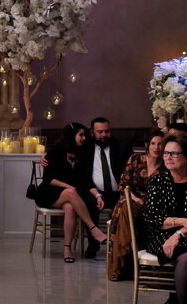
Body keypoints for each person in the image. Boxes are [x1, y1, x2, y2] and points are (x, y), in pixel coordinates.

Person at [34, 122, 108, 263]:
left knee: (70, 208)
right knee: (71, 193)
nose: (84, 138)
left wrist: (97, 195)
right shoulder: (55, 152)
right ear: (71, 136)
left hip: (68, 196)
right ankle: (94, 229)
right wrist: (69, 187)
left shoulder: (82, 154)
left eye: (85, 135)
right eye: (81, 135)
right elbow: (49, 179)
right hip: (48, 193)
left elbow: (86, 181)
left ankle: (67, 249)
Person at [142, 131, 187, 304]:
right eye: (166, 153)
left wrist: (179, 233)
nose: (168, 157)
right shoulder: (158, 182)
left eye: (174, 154)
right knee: (186, 259)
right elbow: (151, 218)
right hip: (159, 236)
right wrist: (180, 222)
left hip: (182, 234)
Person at [107, 130, 164, 281]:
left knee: (126, 212)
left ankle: (117, 269)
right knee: (127, 208)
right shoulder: (135, 159)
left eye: (160, 144)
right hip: (131, 200)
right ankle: (125, 262)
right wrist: (136, 199)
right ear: (147, 145)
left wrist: (145, 202)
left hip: (152, 207)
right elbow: (123, 185)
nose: (156, 147)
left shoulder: (166, 166)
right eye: (153, 143)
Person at [79, 117, 133, 259]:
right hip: (96, 192)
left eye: (107, 131)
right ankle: (93, 243)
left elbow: (131, 172)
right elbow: (82, 175)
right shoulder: (85, 147)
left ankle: (122, 246)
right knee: (88, 203)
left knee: (128, 207)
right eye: (100, 132)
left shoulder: (122, 146)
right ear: (92, 132)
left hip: (118, 193)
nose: (104, 135)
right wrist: (45, 154)